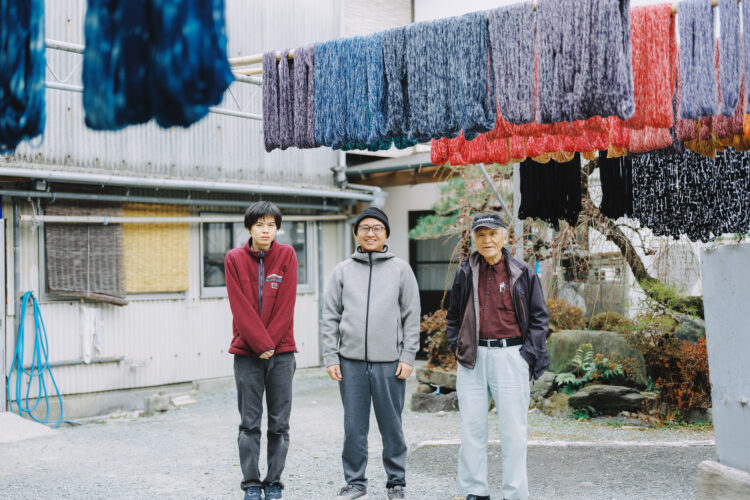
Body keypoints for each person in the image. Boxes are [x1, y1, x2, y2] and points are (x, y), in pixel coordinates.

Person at [446, 212, 550, 500]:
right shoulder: (465, 271)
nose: (487, 240)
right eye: (481, 234)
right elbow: (453, 316)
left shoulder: (522, 272)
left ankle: (514, 494)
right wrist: (457, 346)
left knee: (513, 432)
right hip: (473, 358)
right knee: (472, 430)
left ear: (505, 236)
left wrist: (528, 355)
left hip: (511, 356)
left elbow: (540, 318)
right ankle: (474, 491)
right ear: (474, 239)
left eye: (493, 233)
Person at [321, 207, 421, 500]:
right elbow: (330, 316)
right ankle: (355, 482)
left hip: (390, 363)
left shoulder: (401, 269)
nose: (371, 233)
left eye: (377, 228)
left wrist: (408, 356)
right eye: (364, 228)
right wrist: (331, 356)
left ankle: (396, 482)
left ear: (386, 233)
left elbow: (412, 316)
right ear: (356, 233)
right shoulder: (342, 270)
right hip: (350, 362)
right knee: (354, 427)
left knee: (392, 426)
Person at [225, 201, 298, 500]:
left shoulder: (287, 255)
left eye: (271, 225)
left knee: (279, 424)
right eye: (259, 224)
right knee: (249, 423)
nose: (265, 230)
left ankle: (274, 482)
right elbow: (239, 307)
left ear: (277, 228)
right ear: (249, 228)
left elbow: (286, 305)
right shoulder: (233, 259)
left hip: (282, 353)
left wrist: (270, 345)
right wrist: (260, 344)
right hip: (246, 355)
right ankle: (251, 483)